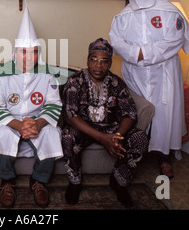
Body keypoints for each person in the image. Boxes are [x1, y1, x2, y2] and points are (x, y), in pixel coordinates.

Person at [109, 0, 189, 178]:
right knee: (138, 112)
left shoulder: (169, 12)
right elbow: (116, 42)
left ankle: (163, 157)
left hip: (164, 73)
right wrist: (135, 55)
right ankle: (138, 151)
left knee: (164, 114)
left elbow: (174, 41)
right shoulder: (123, 16)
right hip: (135, 73)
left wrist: (141, 53)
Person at [0, 1, 63, 208]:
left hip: (37, 121)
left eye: (34, 51)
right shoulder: (1, 74)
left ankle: (39, 180)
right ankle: (7, 181)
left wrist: (37, 125)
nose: (29, 57)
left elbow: (54, 105)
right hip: (10, 122)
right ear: (15, 52)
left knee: (52, 134)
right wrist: (18, 125)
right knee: (0, 134)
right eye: (24, 52)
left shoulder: (48, 75)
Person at [61, 38, 149, 206]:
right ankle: (75, 182)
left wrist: (116, 136)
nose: (98, 65)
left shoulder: (117, 83)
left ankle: (119, 181)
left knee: (140, 138)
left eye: (104, 61)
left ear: (109, 64)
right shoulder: (75, 81)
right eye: (94, 60)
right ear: (87, 60)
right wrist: (102, 138)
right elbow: (70, 115)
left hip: (112, 128)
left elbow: (130, 113)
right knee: (67, 137)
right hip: (84, 129)